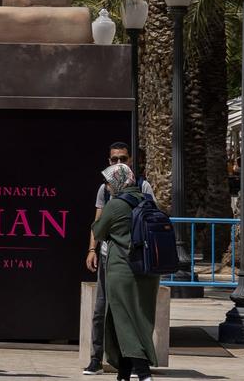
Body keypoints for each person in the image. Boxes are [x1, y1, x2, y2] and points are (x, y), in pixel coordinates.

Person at [81, 140, 146, 375]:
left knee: (131, 312)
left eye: (123, 159)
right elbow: (98, 222)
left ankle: (136, 363)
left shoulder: (143, 187)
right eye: (114, 159)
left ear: (130, 160)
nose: (119, 163)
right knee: (100, 310)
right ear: (109, 161)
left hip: (134, 260)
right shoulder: (105, 189)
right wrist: (92, 250)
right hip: (109, 258)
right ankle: (96, 359)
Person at [86, 164, 157, 381]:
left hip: (121, 269)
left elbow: (98, 230)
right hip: (147, 270)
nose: (107, 187)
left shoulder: (116, 204)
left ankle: (143, 372)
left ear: (117, 182)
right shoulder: (146, 200)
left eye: (108, 182)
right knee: (126, 319)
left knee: (123, 319)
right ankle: (123, 373)